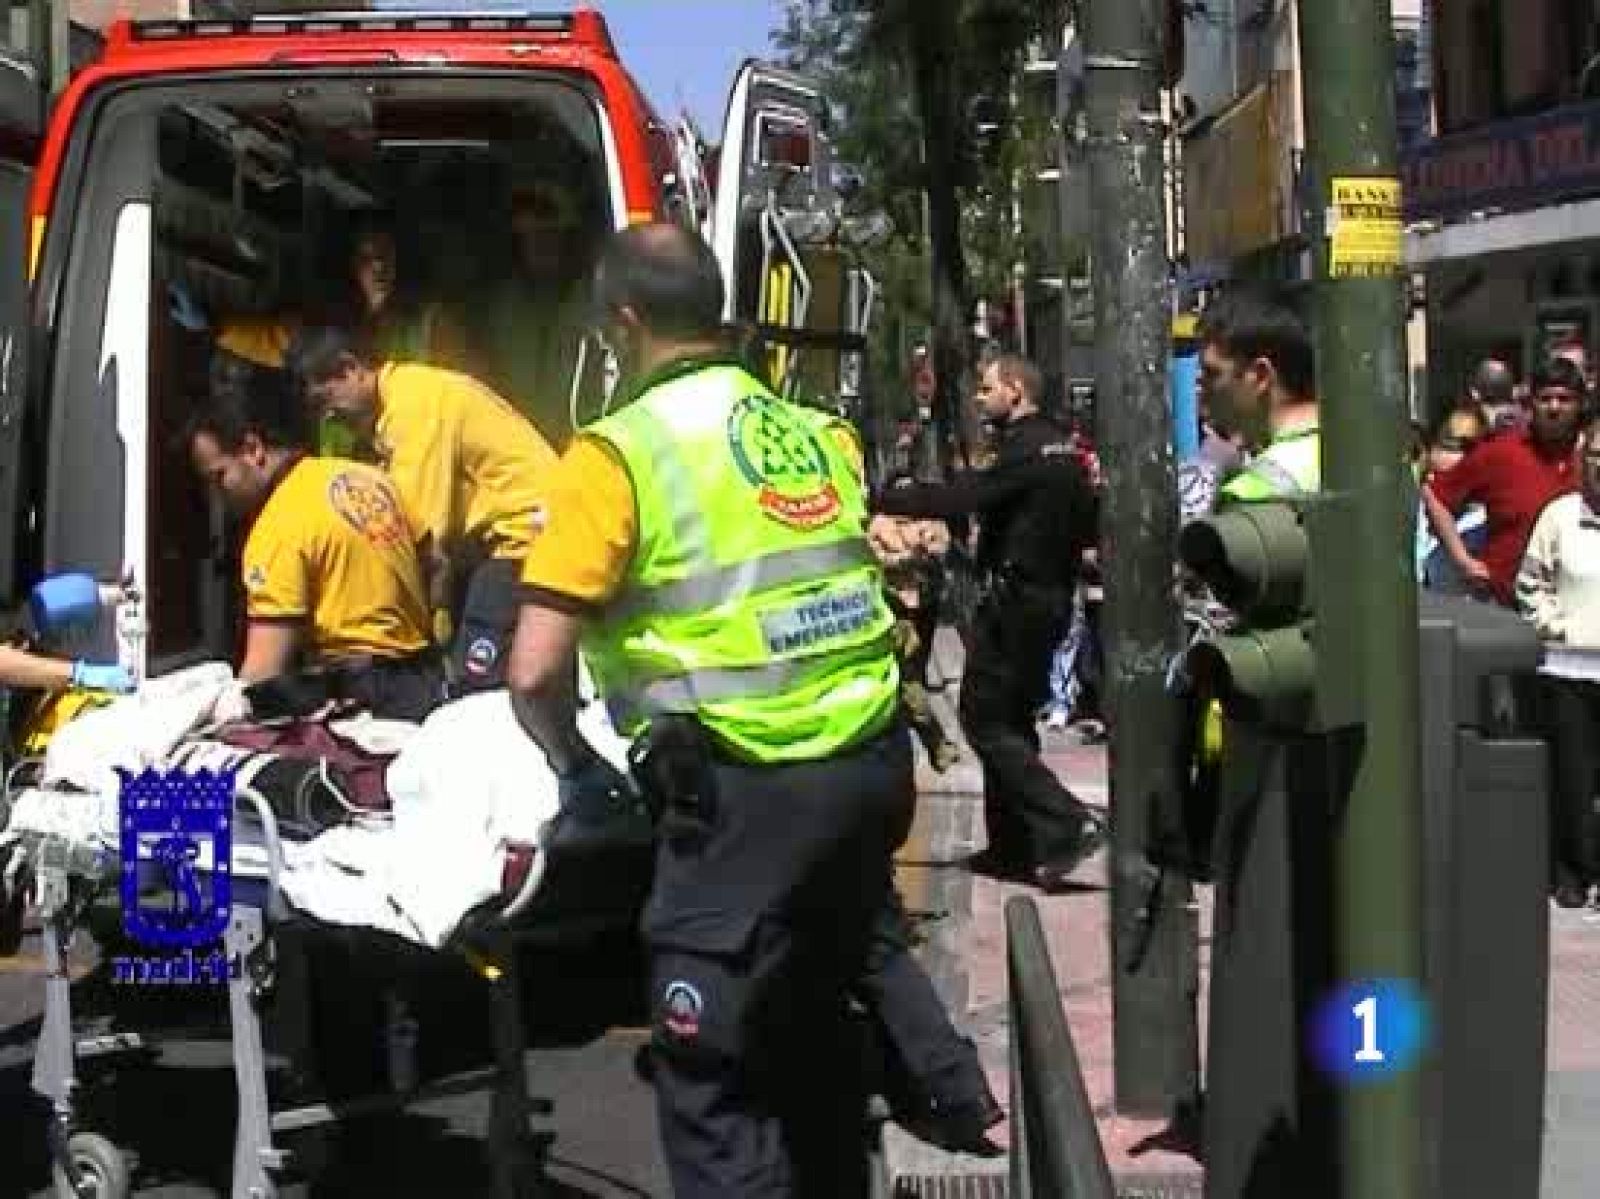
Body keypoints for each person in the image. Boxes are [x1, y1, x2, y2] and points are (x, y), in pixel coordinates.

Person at [505, 223, 973, 1194]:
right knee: (810, 1041)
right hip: (870, 768)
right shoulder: (811, 434)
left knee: (711, 1078)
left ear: (621, 321)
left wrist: (573, 764)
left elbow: (533, 671)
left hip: (741, 798)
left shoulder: (616, 455)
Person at [875, 352, 1105, 893]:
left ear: (1017, 392)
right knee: (1012, 719)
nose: (979, 399)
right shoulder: (1064, 448)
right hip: (1049, 599)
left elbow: (968, 496)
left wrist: (892, 496)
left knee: (983, 719)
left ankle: (1065, 821)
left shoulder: (1027, 451)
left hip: (1018, 604)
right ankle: (1013, 848)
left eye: (987, 389)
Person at [288, 327, 559, 692]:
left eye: (326, 403)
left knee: (476, 684)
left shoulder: (415, 406)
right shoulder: (399, 404)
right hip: (504, 541)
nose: (330, 418)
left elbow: (416, 532)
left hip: (530, 535)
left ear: (350, 368)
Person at [183, 374, 442, 721]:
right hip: (425, 682)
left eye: (219, 477)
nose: (217, 496)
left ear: (252, 450)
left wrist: (222, 720)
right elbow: (437, 562)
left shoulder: (277, 526)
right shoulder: (371, 480)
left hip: (357, 700)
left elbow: (264, 670)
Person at [1516, 414, 1600, 908]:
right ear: (1581, 461)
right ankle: (1572, 873)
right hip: (1569, 669)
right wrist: (1558, 627)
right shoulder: (1559, 517)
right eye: (1595, 456)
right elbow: (1531, 585)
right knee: (1573, 779)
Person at [1424, 356, 1583, 607]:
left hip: (1577, 605)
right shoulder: (1500, 452)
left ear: (1580, 404)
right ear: (1531, 404)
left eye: (1564, 399)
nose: (1554, 407)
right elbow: (1436, 496)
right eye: (1545, 399)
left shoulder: (1590, 459)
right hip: (1506, 604)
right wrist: (1464, 561)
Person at [1196, 290, 1321, 503]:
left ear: (1260, 376)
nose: (1200, 386)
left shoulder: (1252, 492)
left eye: (1213, 373)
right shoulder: (1371, 454)